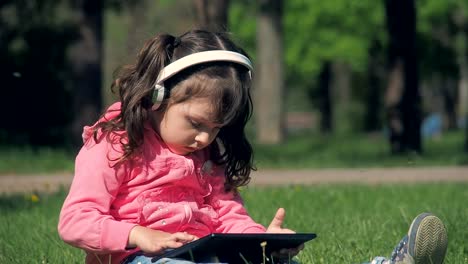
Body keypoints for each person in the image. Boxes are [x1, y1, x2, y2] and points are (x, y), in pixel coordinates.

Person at [57, 29, 448, 264]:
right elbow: (74, 221)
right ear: (158, 97)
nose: (206, 139)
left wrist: (261, 239)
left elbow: (227, 215)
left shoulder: (205, 156)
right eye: (196, 124)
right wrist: (138, 235)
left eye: (217, 128)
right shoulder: (114, 143)